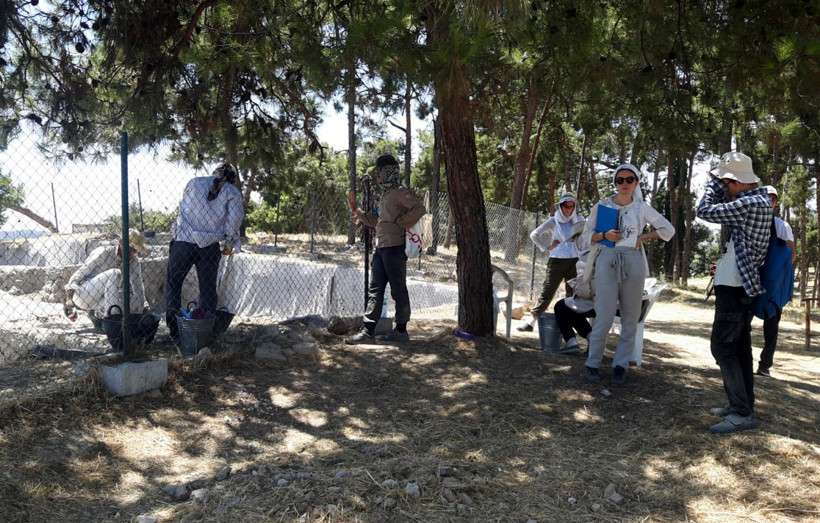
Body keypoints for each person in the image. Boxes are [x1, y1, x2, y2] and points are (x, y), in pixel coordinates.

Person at [696, 152, 772, 434]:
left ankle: (741, 412)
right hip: (741, 285)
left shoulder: (748, 204)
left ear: (738, 182)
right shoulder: (758, 200)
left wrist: (711, 187)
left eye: (727, 181)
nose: (725, 186)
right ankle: (742, 404)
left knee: (723, 347)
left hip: (736, 285)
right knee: (739, 348)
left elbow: (703, 211)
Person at [581, 163, 675, 386]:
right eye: (619, 180)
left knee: (630, 315)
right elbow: (584, 237)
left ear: (636, 182)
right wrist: (603, 235)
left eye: (629, 179)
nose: (624, 184)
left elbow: (667, 230)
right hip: (606, 258)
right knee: (603, 313)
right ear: (614, 182)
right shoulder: (602, 205)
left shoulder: (642, 207)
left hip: (633, 261)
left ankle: (620, 366)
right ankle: (593, 362)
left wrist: (641, 238)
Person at [345, 154, 426, 344]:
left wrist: (400, 222)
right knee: (375, 290)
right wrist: (356, 211)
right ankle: (367, 332)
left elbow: (419, 209)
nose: (378, 177)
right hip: (381, 249)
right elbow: (374, 220)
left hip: (395, 249)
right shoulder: (386, 194)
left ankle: (401, 331)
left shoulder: (400, 191)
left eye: (380, 173)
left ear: (388, 172)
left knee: (398, 290)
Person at [165, 163, 244, 340]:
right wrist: (230, 242)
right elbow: (235, 218)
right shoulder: (232, 192)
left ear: (214, 173)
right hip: (209, 245)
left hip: (183, 242)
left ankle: (175, 332)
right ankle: (206, 334)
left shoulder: (194, 182)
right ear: (232, 178)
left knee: (173, 285)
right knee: (208, 289)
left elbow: (183, 209)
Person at [517, 192, 585, 332]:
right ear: (560, 206)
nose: (569, 209)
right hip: (556, 261)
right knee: (547, 291)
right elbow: (534, 234)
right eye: (566, 206)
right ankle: (531, 322)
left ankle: (569, 326)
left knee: (572, 293)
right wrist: (546, 247)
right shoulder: (554, 220)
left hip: (575, 261)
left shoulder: (580, 220)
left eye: (572, 206)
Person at [65, 229, 150, 320]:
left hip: (103, 299)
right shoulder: (103, 252)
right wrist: (69, 298)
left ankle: (99, 316)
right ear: (121, 242)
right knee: (115, 273)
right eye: (130, 248)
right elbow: (80, 273)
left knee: (133, 301)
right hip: (84, 294)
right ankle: (112, 320)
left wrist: (144, 306)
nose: (132, 253)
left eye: (135, 251)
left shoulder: (134, 261)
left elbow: (138, 286)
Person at [757, 185, 796, 378]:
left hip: (772, 282)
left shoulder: (782, 226)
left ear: (775, 203)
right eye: (765, 198)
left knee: (771, 326)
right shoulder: (751, 222)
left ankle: (765, 365)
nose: (768, 202)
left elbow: (790, 254)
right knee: (741, 323)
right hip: (750, 278)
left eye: (772, 199)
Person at [552, 221, 595, 354]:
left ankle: (571, 342)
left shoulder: (585, 259)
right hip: (612, 303)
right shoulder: (602, 253)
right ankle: (592, 338)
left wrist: (575, 292)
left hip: (597, 303)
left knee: (561, 307)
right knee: (572, 307)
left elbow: (585, 292)